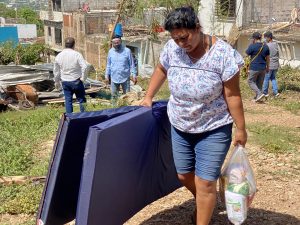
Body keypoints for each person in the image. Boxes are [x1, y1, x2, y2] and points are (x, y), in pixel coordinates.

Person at [141, 6, 247, 225]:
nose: (182, 43)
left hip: (214, 126)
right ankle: (206, 200)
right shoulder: (172, 48)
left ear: (198, 28)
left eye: (185, 37)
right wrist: (148, 96)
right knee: (183, 175)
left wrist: (241, 128)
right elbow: (161, 69)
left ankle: (203, 212)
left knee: (205, 182)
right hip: (180, 124)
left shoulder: (223, 54)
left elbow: (233, 94)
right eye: (176, 38)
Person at [53, 37, 88, 113]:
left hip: (65, 82)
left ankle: (70, 119)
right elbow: (84, 67)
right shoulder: (77, 54)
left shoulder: (59, 56)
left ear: (65, 45)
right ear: (74, 45)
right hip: (77, 81)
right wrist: (83, 78)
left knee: (68, 101)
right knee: (82, 100)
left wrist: (57, 82)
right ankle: (84, 117)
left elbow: (56, 71)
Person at [105, 36, 137, 105]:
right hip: (114, 77)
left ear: (121, 42)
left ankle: (127, 111)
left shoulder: (127, 51)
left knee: (127, 96)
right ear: (112, 43)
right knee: (114, 96)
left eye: (118, 42)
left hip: (125, 77)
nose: (116, 44)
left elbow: (132, 64)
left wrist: (134, 75)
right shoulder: (110, 52)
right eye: (114, 43)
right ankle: (114, 110)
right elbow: (108, 65)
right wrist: (106, 76)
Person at [246, 32, 270, 102]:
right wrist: (268, 67)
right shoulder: (265, 46)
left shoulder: (252, 46)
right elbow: (268, 58)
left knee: (250, 81)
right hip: (263, 68)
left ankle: (259, 94)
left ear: (254, 39)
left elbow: (246, 54)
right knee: (259, 83)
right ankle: (258, 98)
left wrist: (251, 44)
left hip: (254, 67)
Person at [262, 31, 280, 97]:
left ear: (269, 38)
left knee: (266, 78)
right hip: (276, 64)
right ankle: (276, 92)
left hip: (269, 64)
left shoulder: (267, 45)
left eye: (266, 38)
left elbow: (265, 55)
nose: (265, 39)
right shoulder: (276, 43)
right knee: (273, 78)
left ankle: (264, 92)